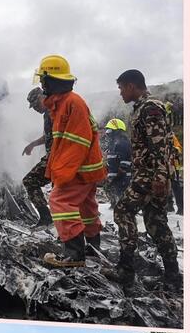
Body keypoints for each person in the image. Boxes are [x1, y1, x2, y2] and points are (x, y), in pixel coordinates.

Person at [114, 69, 182, 291]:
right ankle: (173, 275)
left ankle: (125, 269)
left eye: (122, 88)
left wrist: (161, 176)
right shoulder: (143, 108)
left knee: (123, 210)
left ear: (132, 86)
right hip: (152, 175)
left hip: (150, 175)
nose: (121, 93)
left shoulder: (149, 108)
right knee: (156, 224)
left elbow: (161, 145)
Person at [36, 54, 107, 268]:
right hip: (87, 169)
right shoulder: (64, 103)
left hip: (79, 169)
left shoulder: (70, 103)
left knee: (60, 201)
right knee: (86, 209)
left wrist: (61, 174)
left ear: (52, 79)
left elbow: (75, 143)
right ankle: (93, 249)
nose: (41, 84)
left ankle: (74, 255)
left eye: (43, 79)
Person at [104, 118, 133, 209]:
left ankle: (124, 209)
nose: (107, 133)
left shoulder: (122, 143)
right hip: (114, 176)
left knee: (121, 195)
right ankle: (115, 206)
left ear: (117, 131)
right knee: (112, 192)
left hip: (122, 177)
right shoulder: (113, 144)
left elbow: (125, 160)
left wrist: (120, 173)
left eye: (110, 130)